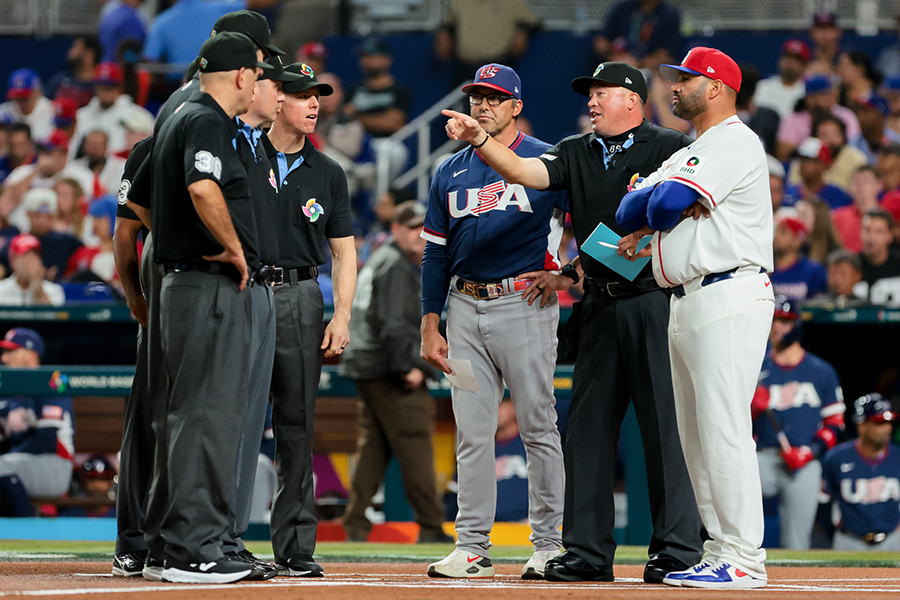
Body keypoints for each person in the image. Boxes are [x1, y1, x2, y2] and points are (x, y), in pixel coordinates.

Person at [440, 61, 703, 583]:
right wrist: (480, 139)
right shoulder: (574, 150)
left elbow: (693, 210)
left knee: (663, 429)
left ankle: (676, 548)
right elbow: (524, 173)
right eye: (591, 92)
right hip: (599, 305)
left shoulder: (667, 146)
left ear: (633, 99)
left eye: (602, 92)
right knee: (586, 431)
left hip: (654, 300)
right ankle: (585, 551)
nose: (592, 100)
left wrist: (649, 237)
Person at [114, 11, 288, 581]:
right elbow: (198, 186)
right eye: (261, 70)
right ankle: (193, 548)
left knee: (182, 414)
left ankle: (168, 544)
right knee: (202, 415)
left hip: (178, 274)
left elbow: (142, 199)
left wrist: (171, 237)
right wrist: (230, 247)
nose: (265, 80)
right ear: (242, 74)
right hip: (204, 281)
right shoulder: (205, 116)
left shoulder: (174, 112)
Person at [615, 47, 774, 588]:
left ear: (717, 87)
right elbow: (625, 211)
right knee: (697, 438)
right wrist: (663, 196)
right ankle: (719, 548)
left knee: (724, 430)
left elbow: (654, 210)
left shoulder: (734, 140)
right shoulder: (693, 148)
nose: (674, 87)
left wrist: (660, 196)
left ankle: (745, 557)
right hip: (685, 297)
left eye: (685, 79)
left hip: (728, 290)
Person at [424, 63, 568, 581]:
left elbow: (596, 222)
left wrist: (569, 273)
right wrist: (429, 321)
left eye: (494, 97)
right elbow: (434, 254)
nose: (482, 104)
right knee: (472, 430)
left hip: (523, 304)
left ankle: (550, 545)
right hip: (462, 309)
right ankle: (472, 548)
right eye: (476, 96)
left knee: (537, 425)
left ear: (516, 107)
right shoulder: (449, 169)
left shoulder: (546, 158)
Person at [265, 61, 356, 578]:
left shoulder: (329, 172)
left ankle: (296, 548)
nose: (314, 104)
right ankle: (218, 539)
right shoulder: (245, 155)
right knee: (232, 420)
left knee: (296, 424)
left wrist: (341, 316)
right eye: (303, 96)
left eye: (318, 95)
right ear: (278, 99)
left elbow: (344, 253)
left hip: (303, 295)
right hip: (248, 291)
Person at [339, 200, 450, 544]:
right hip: (389, 368)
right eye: (413, 227)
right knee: (416, 444)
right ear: (396, 230)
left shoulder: (384, 259)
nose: (420, 234)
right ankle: (432, 527)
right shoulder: (397, 266)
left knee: (374, 447)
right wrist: (413, 368)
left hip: (370, 365)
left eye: (424, 226)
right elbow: (394, 327)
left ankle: (355, 524)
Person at [752, 297, 844, 550]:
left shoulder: (820, 371)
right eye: (773, 321)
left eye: (785, 321)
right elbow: (732, 423)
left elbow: (835, 424)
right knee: (728, 491)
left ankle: (795, 587)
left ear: (797, 326)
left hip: (802, 461)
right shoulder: (755, 368)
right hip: (762, 458)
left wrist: (809, 452)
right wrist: (750, 409)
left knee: (796, 543)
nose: (777, 328)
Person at [0, 328, 74, 516]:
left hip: (55, 464)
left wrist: (10, 453)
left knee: (3, 465)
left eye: (11, 352)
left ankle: (27, 528)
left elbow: (47, 440)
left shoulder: (51, 382)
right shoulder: (11, 393)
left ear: (31, 354)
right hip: (22, 463)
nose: (4, 359)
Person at [820, 394, 900, 551]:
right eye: (879, 422)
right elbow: (823, 503)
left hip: (892, 540)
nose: (888, 427)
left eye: (888, 422)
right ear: (861, 425)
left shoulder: (898, 457)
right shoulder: (835, 458)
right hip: (848, 541)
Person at [70, 63, 154, 159]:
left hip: (122, 167)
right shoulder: (81, 115)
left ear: (119, 88)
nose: (104, 92)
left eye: (109, 88)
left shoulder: (137, 114)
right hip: (86, 168)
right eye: (101, 87)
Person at [594, 0, 682, 70]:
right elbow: (601, 42)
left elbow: (666, 54)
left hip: (648, 69)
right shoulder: (622, 8)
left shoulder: (669, 14)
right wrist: (614, 56)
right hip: (616, 62)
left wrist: (638, 64)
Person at [770, 208, 828, 301]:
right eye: (776, 231)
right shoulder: (767, 270)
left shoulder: (813, 271)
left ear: (797, 240)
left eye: (783, 232)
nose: (776, 236)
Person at [0, 234, 65, 305]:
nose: (31, 261)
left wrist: (37, 284)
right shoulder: (2, 289)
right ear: (12, 261)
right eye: (25, 256)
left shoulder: (54, 290)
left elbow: (51, 314)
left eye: (35, 256)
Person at [754, 39, 811, 120]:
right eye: (787, 57)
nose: (790, 63)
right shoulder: (763, 86)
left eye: (796, 60)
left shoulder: (806, 91)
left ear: (804, 65)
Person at [833, 165, 883, 252]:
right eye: (856, 182)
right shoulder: (837, 217)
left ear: (879, 185)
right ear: (849, 187)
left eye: (866, 181)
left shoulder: (888, 216)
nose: (860, 186)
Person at [856, 209, 900, 306]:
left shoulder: (898, 264)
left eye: (879, 231)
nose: (872, 237)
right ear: (860, 233)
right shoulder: (851, 266)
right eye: (867, 230)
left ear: (890, 235)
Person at [44, 36, 101, 108]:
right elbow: (44, 105)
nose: (70, 51)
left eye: (75, 47)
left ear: (89, 54)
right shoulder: (59, 80)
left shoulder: (101, 84)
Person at [0, 69, 54, 142]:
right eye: (17, 98)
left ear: (37, 92)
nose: (20, 102)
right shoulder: (4, 112)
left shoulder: (52, 111)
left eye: (24, 98)